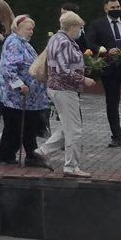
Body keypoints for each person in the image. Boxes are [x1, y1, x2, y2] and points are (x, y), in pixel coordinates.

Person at [45, 10, 98, 178]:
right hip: (65, 89)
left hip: (57, 88)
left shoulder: (56, 38)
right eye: (80, 27)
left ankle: (42, 151)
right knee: (75, 129)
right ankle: (71, 166)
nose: (81, 31)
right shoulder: (65, 42)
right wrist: (83, 79)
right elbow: (62, 70)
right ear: (73, 26)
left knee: (68, 125)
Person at [0, 15, 48, 168]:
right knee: (18, 126)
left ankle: (9, 154)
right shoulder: (14, 42)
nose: (31, 32)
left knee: (21, 126)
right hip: (16, 96)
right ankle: (22, 154)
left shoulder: (24, 43)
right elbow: (8, 68)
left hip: (28, 98)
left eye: (32, 29)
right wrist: (19, 85)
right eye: (28, 29)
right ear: (17, 28)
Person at [85, 0, 121, 148]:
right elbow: (90, 42)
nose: (116, 10)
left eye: (118, 7)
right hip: (110, 70)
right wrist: (106, 51)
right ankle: (116, 136)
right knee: (112, 104)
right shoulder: (97, 24)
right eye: (113, 8)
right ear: (105, 8)